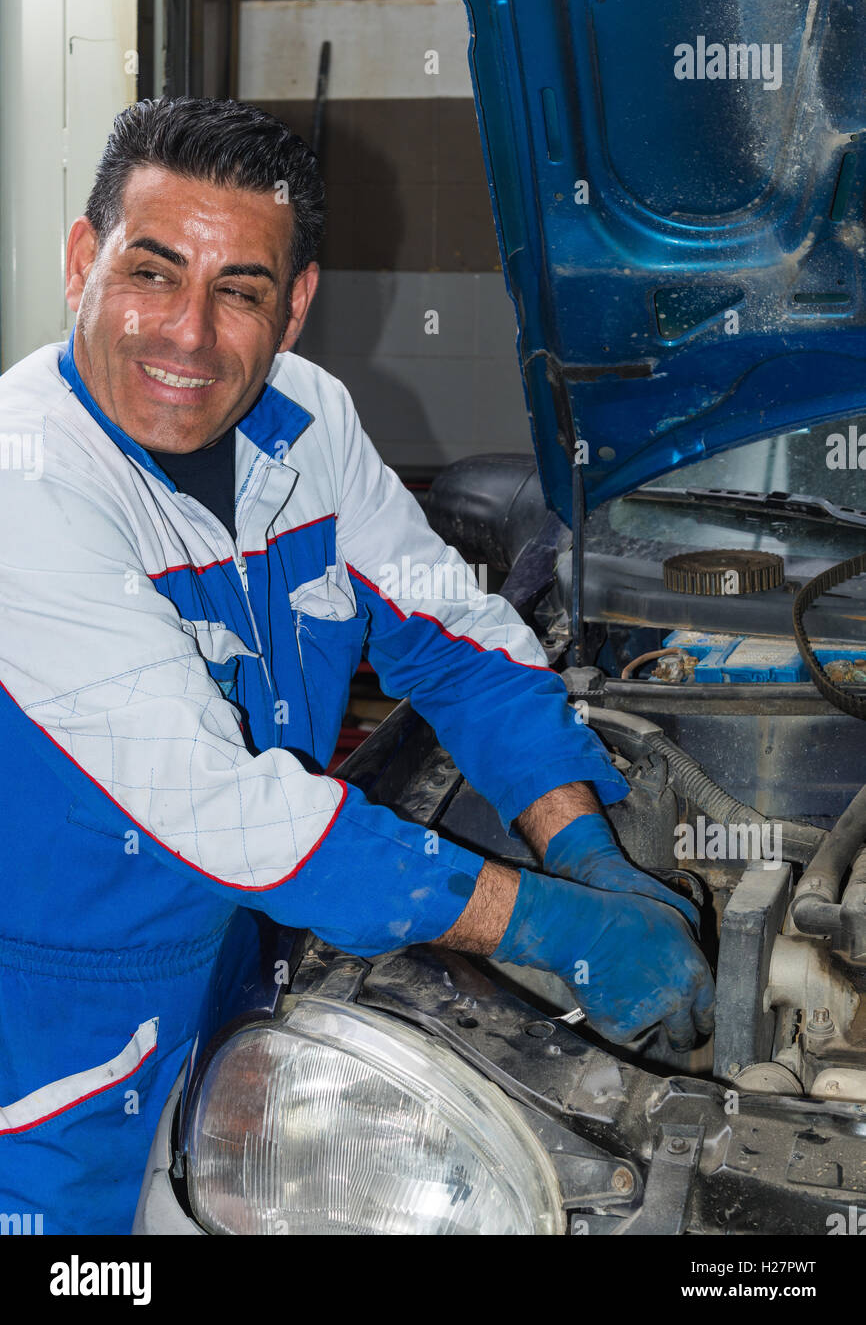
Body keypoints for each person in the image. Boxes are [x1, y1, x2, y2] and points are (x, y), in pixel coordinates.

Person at [0, 97, 714, 1234]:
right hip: (45, 1067)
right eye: (150, 271)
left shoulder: (309, 424)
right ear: (83, 259)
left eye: (237, 289)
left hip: (234, 996)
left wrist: (583, 847)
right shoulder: (24, 485)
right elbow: (228, 812)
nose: (187, 332)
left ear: (293, 307)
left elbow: (453, 639)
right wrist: (548, 927)